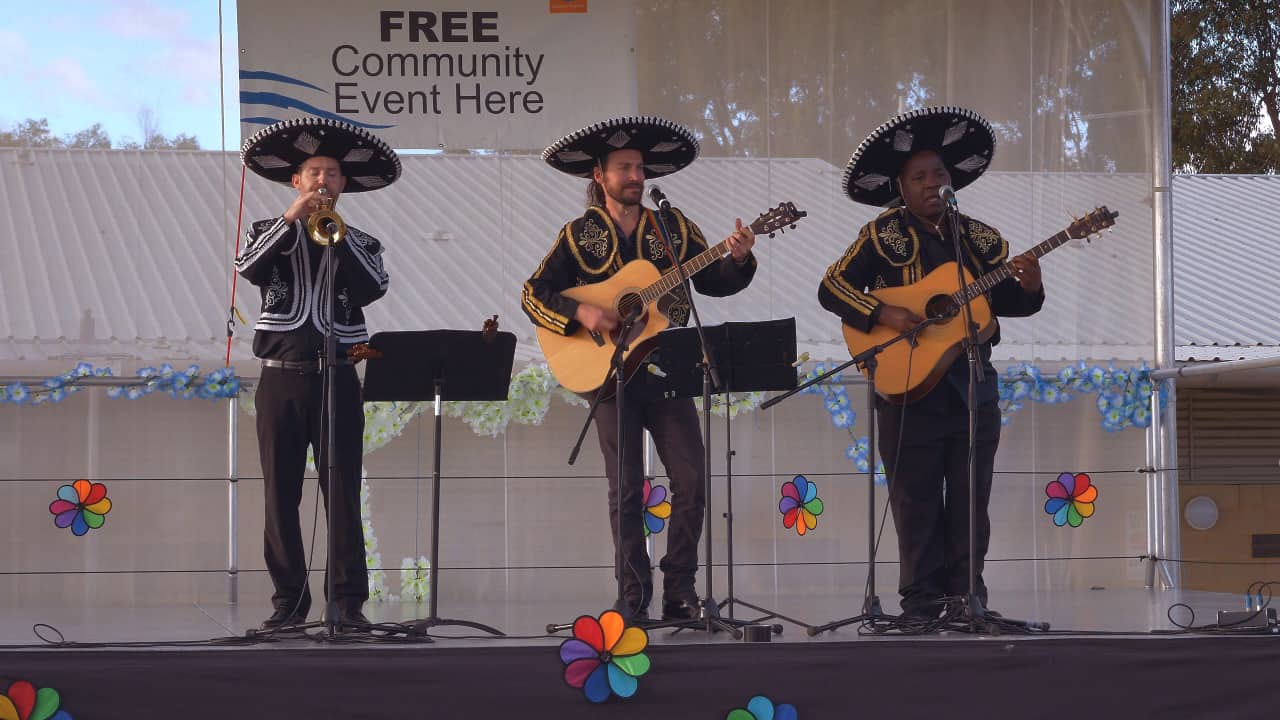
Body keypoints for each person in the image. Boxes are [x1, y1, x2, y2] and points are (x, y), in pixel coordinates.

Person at [522, 116, 757, 621]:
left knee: (692, 480)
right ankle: (632, 595)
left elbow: (714, 280)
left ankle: (680, 591)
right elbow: (532, 293)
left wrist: (737, 259)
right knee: (626, 488)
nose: (634, 176)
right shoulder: (579, 234)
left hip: (667, 369)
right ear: (599, 176)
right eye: (623, 168)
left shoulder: (672, 228)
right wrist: (583, 312)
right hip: (608, 376)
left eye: (639, 168)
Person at [818, 106, 1044, 621]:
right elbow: (831, 287)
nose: (930, 184)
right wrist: (885, 311)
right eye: (918, 177)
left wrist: (1030, 285)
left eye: (938, 174)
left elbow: (1005, 301)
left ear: (951, 181)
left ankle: (968, 598)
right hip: (905, 387)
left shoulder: (979, 239)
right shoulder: (881, 235)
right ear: (901, 185)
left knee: (971, 498)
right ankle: (920, 602)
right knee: (915, 498)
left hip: (971, 384)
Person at [237, 117, 399, 631]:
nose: (322, 181)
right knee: (280, 493)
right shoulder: (268, 230)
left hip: (337, 377)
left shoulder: (362, 240)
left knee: (343, 490)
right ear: (296, 181)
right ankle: (289, 602)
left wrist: (339, 237)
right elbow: (248, 268)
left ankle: (347, 603)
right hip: (280, 377)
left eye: (331, 173)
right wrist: (293, 218)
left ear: (342, 184)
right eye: (313, 173)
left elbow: (375, 286)